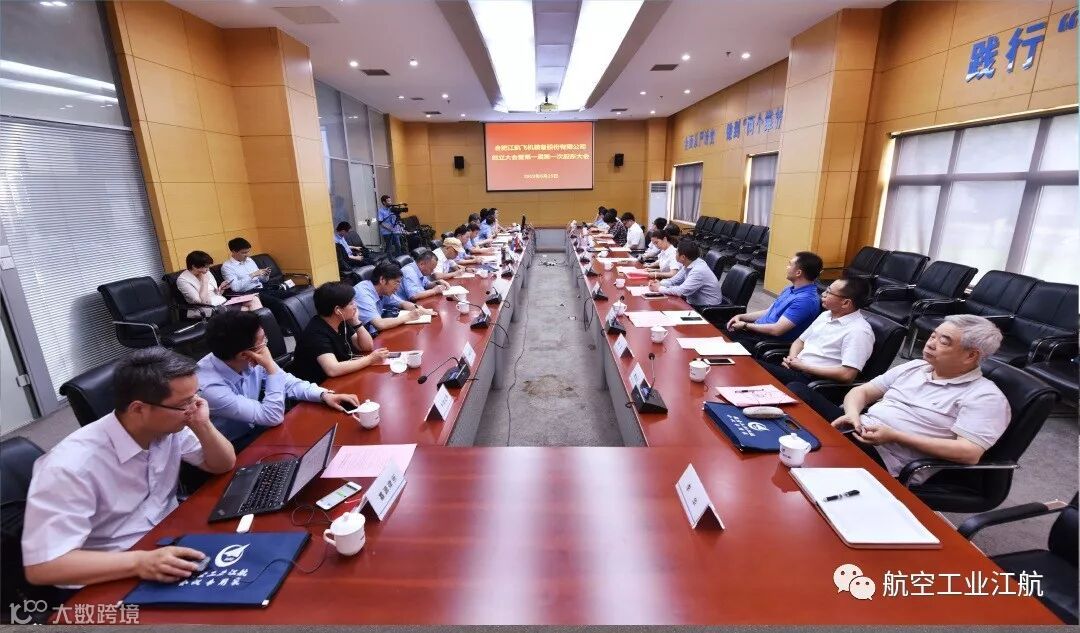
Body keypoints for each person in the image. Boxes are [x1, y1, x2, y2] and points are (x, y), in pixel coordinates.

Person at [22, 348, 235, 589]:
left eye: (196, 397)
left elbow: (222, 464)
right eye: (184, 404)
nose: (194, 409)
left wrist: (202, 424)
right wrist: (139, 562)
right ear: (138, 409)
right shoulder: (69, 468)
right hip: (114, 570)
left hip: (170, 537)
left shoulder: (169, 427)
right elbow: (43, 567)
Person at [788, 315, 1010, 485]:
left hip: (884, 457)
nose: (930, 343)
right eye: (933, 336)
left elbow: (969, 453)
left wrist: (895, 436)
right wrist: (852, 414)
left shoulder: (985, 397)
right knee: (798, 392)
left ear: (971, 355)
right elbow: (861, 392)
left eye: (944, 341)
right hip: (858, 428)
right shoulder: (915, 367)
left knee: (803, 443)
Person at [197, 311, 360, 451]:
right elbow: (272, 416)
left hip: (258, 429)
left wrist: (323, 395)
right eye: (262, 340)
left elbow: (286, 381)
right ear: (244, 355)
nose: (266, 345)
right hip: (231, 447)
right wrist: (271, 367)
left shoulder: (244, 358)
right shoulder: (209, 388)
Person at [759, 276, 874, 386]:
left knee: (758, 370)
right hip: (797, 369)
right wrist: (792, 359)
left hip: (814, 381)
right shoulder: (826, 315)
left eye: (829, 292)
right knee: (753, 365)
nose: (823, 294)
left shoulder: (859, 331)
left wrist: (804, 367)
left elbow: (847, 375)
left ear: (846, 303)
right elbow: (800, 341)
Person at [291, 281, 391, 384]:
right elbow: (333, 369)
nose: (355, 306)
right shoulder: (316, 334)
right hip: (320, 385)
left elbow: (366, 346)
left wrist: (356, 322)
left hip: (341, 378)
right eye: (351, 303)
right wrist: (370, 359)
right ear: (337, 310)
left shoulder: (340, 321)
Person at [724, 251, 823, 347]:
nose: (787, 267)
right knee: (723, 331)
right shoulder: (790, 289)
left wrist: (745, 325)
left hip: (765, 342)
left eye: (790, 265)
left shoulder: (805, 300)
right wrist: (741, 316)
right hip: (756, 332)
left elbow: (776, 330)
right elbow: (769, 311)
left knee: (723, 342)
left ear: (798, 273)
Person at [354, 260, 435, 332]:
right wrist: (408, 317)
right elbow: (380, 324)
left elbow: (403, 303)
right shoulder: (364, 294)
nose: (398, 287)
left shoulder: (383, 290)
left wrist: (421, 309)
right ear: (382, 280)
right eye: (396, 283)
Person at [176, 250, 261, 318]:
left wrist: (221, 288)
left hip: (221, 303)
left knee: (254, 299)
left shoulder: (206, 272)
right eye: (205, 267)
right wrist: (204, 282)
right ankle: (259, 333)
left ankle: (262, 332)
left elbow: (216, 294)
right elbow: (202, 302)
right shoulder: (183, 280)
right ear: (194, 266)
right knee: (246, 310)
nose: (208, 270)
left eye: (208, 266)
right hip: (205, 309)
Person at [647, 240, 723, 307]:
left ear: (683, 257)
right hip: (693, 301)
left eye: (676, 252)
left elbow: (680, 291)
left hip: (707, 308)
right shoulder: (689, 262)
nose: (675, 253)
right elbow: (674, 281)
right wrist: (659, 283)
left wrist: (659, 288)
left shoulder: (698, 270)